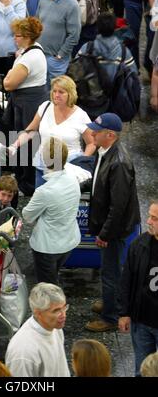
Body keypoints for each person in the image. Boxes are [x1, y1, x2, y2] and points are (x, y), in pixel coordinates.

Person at [83, 112, 140, 332]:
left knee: (111, 272)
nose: (92, 134)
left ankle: (111, 317)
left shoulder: (119, 163)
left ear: (110, 134)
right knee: (110, 269)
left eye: (96, 131)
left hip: (115, 230)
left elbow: (118, 207)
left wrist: (105, 234)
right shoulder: (105, 151)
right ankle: (110, 301)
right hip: (110, 225)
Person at [9, 75, 95, 188]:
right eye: (54, 91)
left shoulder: (81, 115)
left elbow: (92, 143)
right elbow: (30, 131)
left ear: (71, 94)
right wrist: (14, 145)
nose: (56, 95)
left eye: (61, 92)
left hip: (68, 168)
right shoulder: (45, 107)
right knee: (41, 199)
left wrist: (81, 162)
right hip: (43, 165)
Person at [22, 138, 81, 284]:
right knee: (53, 277)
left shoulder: (44, 191)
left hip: (47, 247)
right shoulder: (73, 178)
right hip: (69, 242)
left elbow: (27, 216)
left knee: (47, 287)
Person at [3, 16, 48, 195]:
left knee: (27, 143)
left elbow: (8, 84)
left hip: (28, 103)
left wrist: (9, 74)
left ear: (28, 36)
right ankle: (22, 177)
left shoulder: (29, 58)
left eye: (18, 35)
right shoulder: (33, 51)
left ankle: (26, 184)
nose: (15, 38)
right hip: (28, 100)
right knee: (23, 140)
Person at [118, 201, 158, 376]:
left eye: (154, 218)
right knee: (142, 371)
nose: (148, 221)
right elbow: (127, 281)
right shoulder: (139, 245)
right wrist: (124, 313)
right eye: (149, 215)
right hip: (141, 322)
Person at [5, 282, 70, 377]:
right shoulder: (23, 353)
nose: (63, 315)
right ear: (38, 313)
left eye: (64, 308)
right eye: (56, 310)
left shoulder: (55, 327)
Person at [37, 0, 81, 85]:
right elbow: (36, 24)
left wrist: (60, 55)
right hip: (39, 55)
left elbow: (74, 35)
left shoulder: (71, 5)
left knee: (56, 94)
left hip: (56, 60)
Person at [77, 12, 137, 83]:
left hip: (93, 91)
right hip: (117, 92)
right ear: (115, 28)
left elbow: (76, 71)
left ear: (97, 27)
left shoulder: (86, 48)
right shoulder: (124, 52)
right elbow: (133, 77)